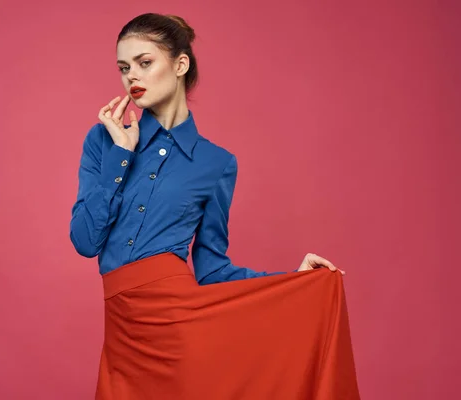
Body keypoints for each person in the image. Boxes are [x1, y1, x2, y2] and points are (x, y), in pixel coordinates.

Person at [70, 12, 359, 400]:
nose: (131, 77)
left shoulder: (217, 163)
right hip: (125, 335)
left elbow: (212, 269)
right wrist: (121, 153)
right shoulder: (105, 139)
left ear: (180, 64)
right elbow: (86, 241)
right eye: (124, 67)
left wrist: (294, 279)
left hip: (183, 330)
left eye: (144, 62)